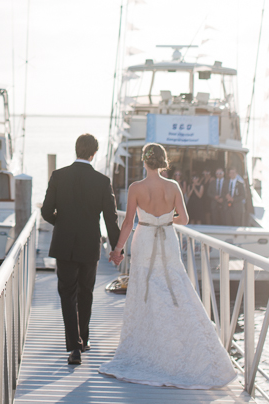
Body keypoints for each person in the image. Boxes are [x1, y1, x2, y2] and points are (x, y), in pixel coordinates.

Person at [99, 143, 237, 388]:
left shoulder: (136, 188)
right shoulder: (173, 186)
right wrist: (165, 219)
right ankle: (180, 346)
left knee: (145, 290)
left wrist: (118, 249)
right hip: (168, 240)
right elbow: (183, 219)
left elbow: (129, 222)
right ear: (163, 162)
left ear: (144, 161)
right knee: (176, 288)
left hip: (145, 240)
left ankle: (148, 345)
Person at [41, 133, 122, 366]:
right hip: (89, 243)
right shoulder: (102, 181)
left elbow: (46, 212)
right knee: (86, 292)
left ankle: (74, 348)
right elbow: (110, 219)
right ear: (93, 153)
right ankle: (84, 339)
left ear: (76, 150)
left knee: (67, 294)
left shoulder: (58, 176)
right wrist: (117, 248)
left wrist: (63, 223)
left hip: (64, 243)